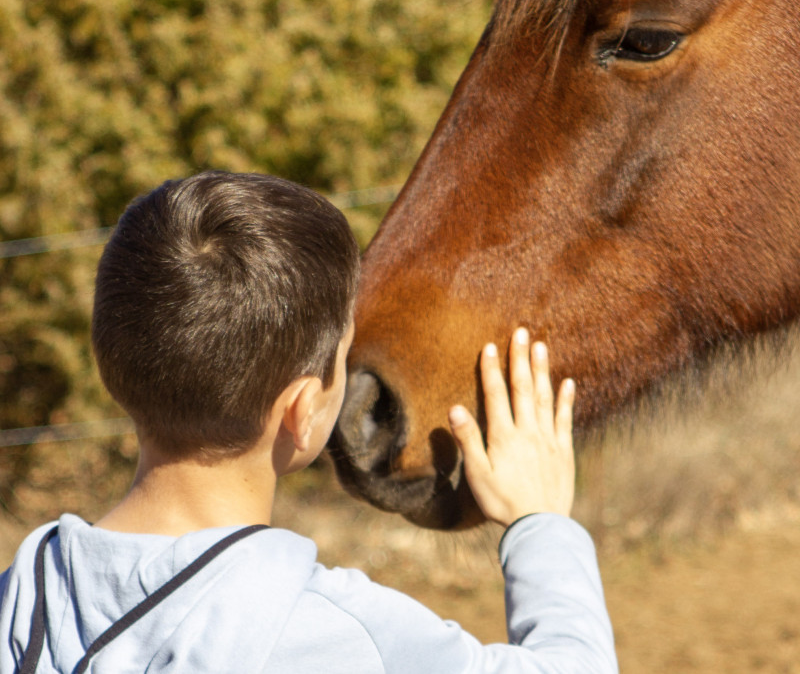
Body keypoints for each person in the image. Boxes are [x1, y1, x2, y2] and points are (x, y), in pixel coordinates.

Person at [0, 171, 617, 673]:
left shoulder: (16, 602)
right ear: (302, 409)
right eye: (341, 359)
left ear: (112, 365)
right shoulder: (344, 638)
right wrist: (540, 525)